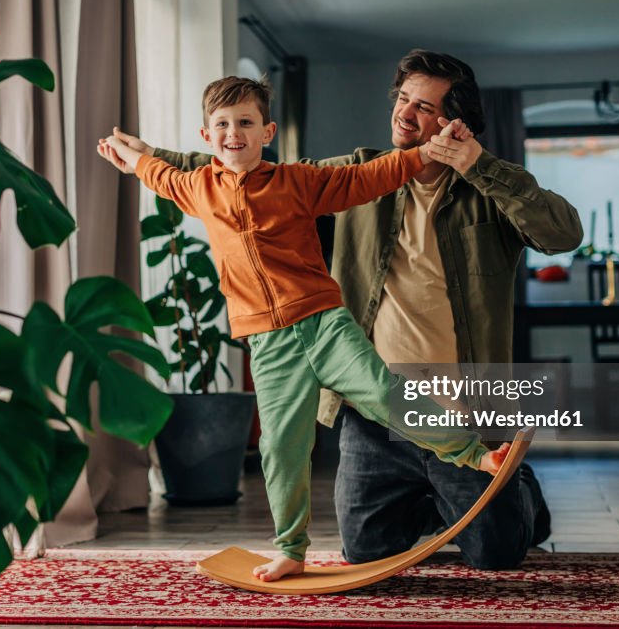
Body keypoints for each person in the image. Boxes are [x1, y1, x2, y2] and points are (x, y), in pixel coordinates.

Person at [110, 50, 583, 571]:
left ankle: (517, 491)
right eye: (403, 99)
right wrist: (148, 156)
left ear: (454, 122)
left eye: (423, 107)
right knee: (365, 550)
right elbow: (243, 176)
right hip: (371, 417)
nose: (405, 113)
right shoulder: (351, 172)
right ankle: (428, 501)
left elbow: (564, 232)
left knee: (495, 553)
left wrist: (479, 164)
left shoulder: (486, 191)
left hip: (462, 403)